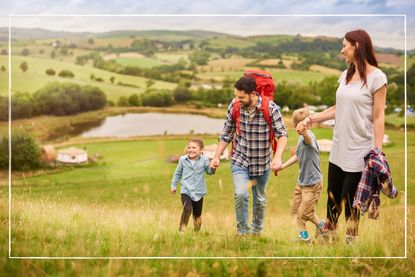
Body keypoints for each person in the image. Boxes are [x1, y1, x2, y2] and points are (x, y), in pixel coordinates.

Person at [296, 29, 388, 244]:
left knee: (350, 200)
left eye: (344, 45)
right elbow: (339, 107)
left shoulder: (377, 77)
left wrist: (377, 151)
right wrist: (312, 118)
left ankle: (350, 245)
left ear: (356, 46)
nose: (341, 50)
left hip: (360, 151)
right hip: (339, 148)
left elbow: (378, 116)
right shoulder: (346, 74)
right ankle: (328, 240)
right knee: (333, 199)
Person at [210, 76, 288, 236]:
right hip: (240, 160)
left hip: (261, 163)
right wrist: (216, 156)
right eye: (236, 96)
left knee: (259, 200)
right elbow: (226, 133)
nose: (237, 100)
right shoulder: (235, 106)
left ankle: (256, 232)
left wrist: (278, 157)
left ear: (252, 93)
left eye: (241, 97)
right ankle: (242, 232)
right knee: (240, 194)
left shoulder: (270, 108)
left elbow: (282, 135)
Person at [279, 108, 325, 242]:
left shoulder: (308, 136)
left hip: (312, 184)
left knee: (304, 213)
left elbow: (309, 140)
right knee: (295, 211)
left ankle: (314, 233)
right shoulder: (301, 139)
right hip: (302, 183)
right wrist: (282, 166)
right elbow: (298, 156)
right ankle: (312, 232)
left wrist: (304, 132)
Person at [170, 138, 215, 233]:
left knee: (197, 215)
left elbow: (209, 172)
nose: (191, 149)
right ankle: (181, 231)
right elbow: (177, 173)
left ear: (201, 150)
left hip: (199, 192)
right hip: (186, 190)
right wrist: (173, 185)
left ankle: (196, 232)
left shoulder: (204, 159)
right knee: (187, 208)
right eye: (189, 147)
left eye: (194, 147)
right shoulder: (183, 159)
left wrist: (213, 168)